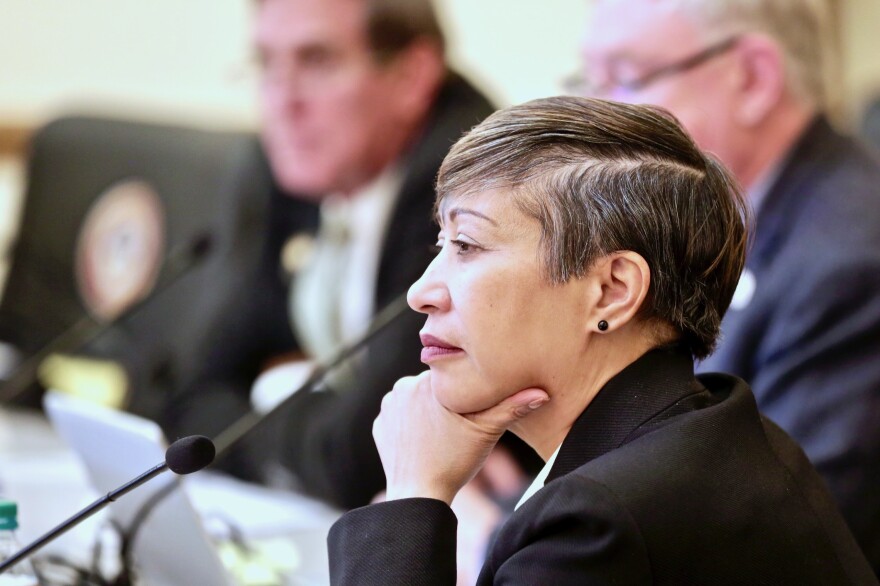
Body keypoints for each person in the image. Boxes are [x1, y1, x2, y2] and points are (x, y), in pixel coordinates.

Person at [327, 96, 878, 585]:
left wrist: (412, 497)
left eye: (467, 245)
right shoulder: (724, 429)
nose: (420, 293)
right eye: (440, 245)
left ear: (612, 291)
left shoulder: (595, 529)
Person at [161, 0, 542, 508]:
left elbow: (365, 458)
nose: (283, 100)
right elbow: (191, 398)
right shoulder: (286, 165)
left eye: (316, 61)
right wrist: (301, 411)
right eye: (267, 64)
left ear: (411, 76)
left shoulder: (471, 190)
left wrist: (269, 395)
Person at [577, 0, 880, 571]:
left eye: (625, 77)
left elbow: (784, 545)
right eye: (589, 81)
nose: (599, 116)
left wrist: (514, 530)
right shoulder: (715, 224)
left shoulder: (849, 264)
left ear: (754, 78)